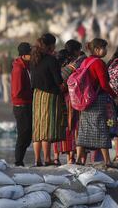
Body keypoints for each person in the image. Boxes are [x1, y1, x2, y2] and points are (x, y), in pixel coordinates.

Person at [76, 38, 118, 169]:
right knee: (101, 128)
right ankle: (107, 160)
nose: (106, 50)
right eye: (104, 48)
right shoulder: (98, 63)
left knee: (84, 129)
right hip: (97, 99)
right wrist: (115, 96)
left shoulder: (85, 61)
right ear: (96, 49)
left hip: (85, 100)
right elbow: (104, 84)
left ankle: (79, 159)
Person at [30, 33, 66, 167]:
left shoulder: (34, 59)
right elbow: (58, 80)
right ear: (51, 45)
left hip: (37, 95)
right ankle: (47, 158)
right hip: (49, 96)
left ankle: (37, 160)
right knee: (46, 127)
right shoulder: (51, 60)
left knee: (38, 127)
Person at [53, 40, 87, 165]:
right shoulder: (75, 64)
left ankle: (61, 157)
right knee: (74, 125)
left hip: (61, 98)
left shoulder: (59, 62)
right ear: (76, 51)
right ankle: (72, 157)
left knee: (64, 126)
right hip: (73, 98)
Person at [11, 42, 33, 167]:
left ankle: (20, 160)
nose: (32, 55)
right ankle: (18, 161)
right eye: (30, 54)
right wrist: (30, 93)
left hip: (26, 104)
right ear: (24, 55)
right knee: (23, 134)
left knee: (27, 134)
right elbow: (17, 91)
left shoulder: (25, 66)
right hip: (21, 105)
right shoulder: (19, 69)